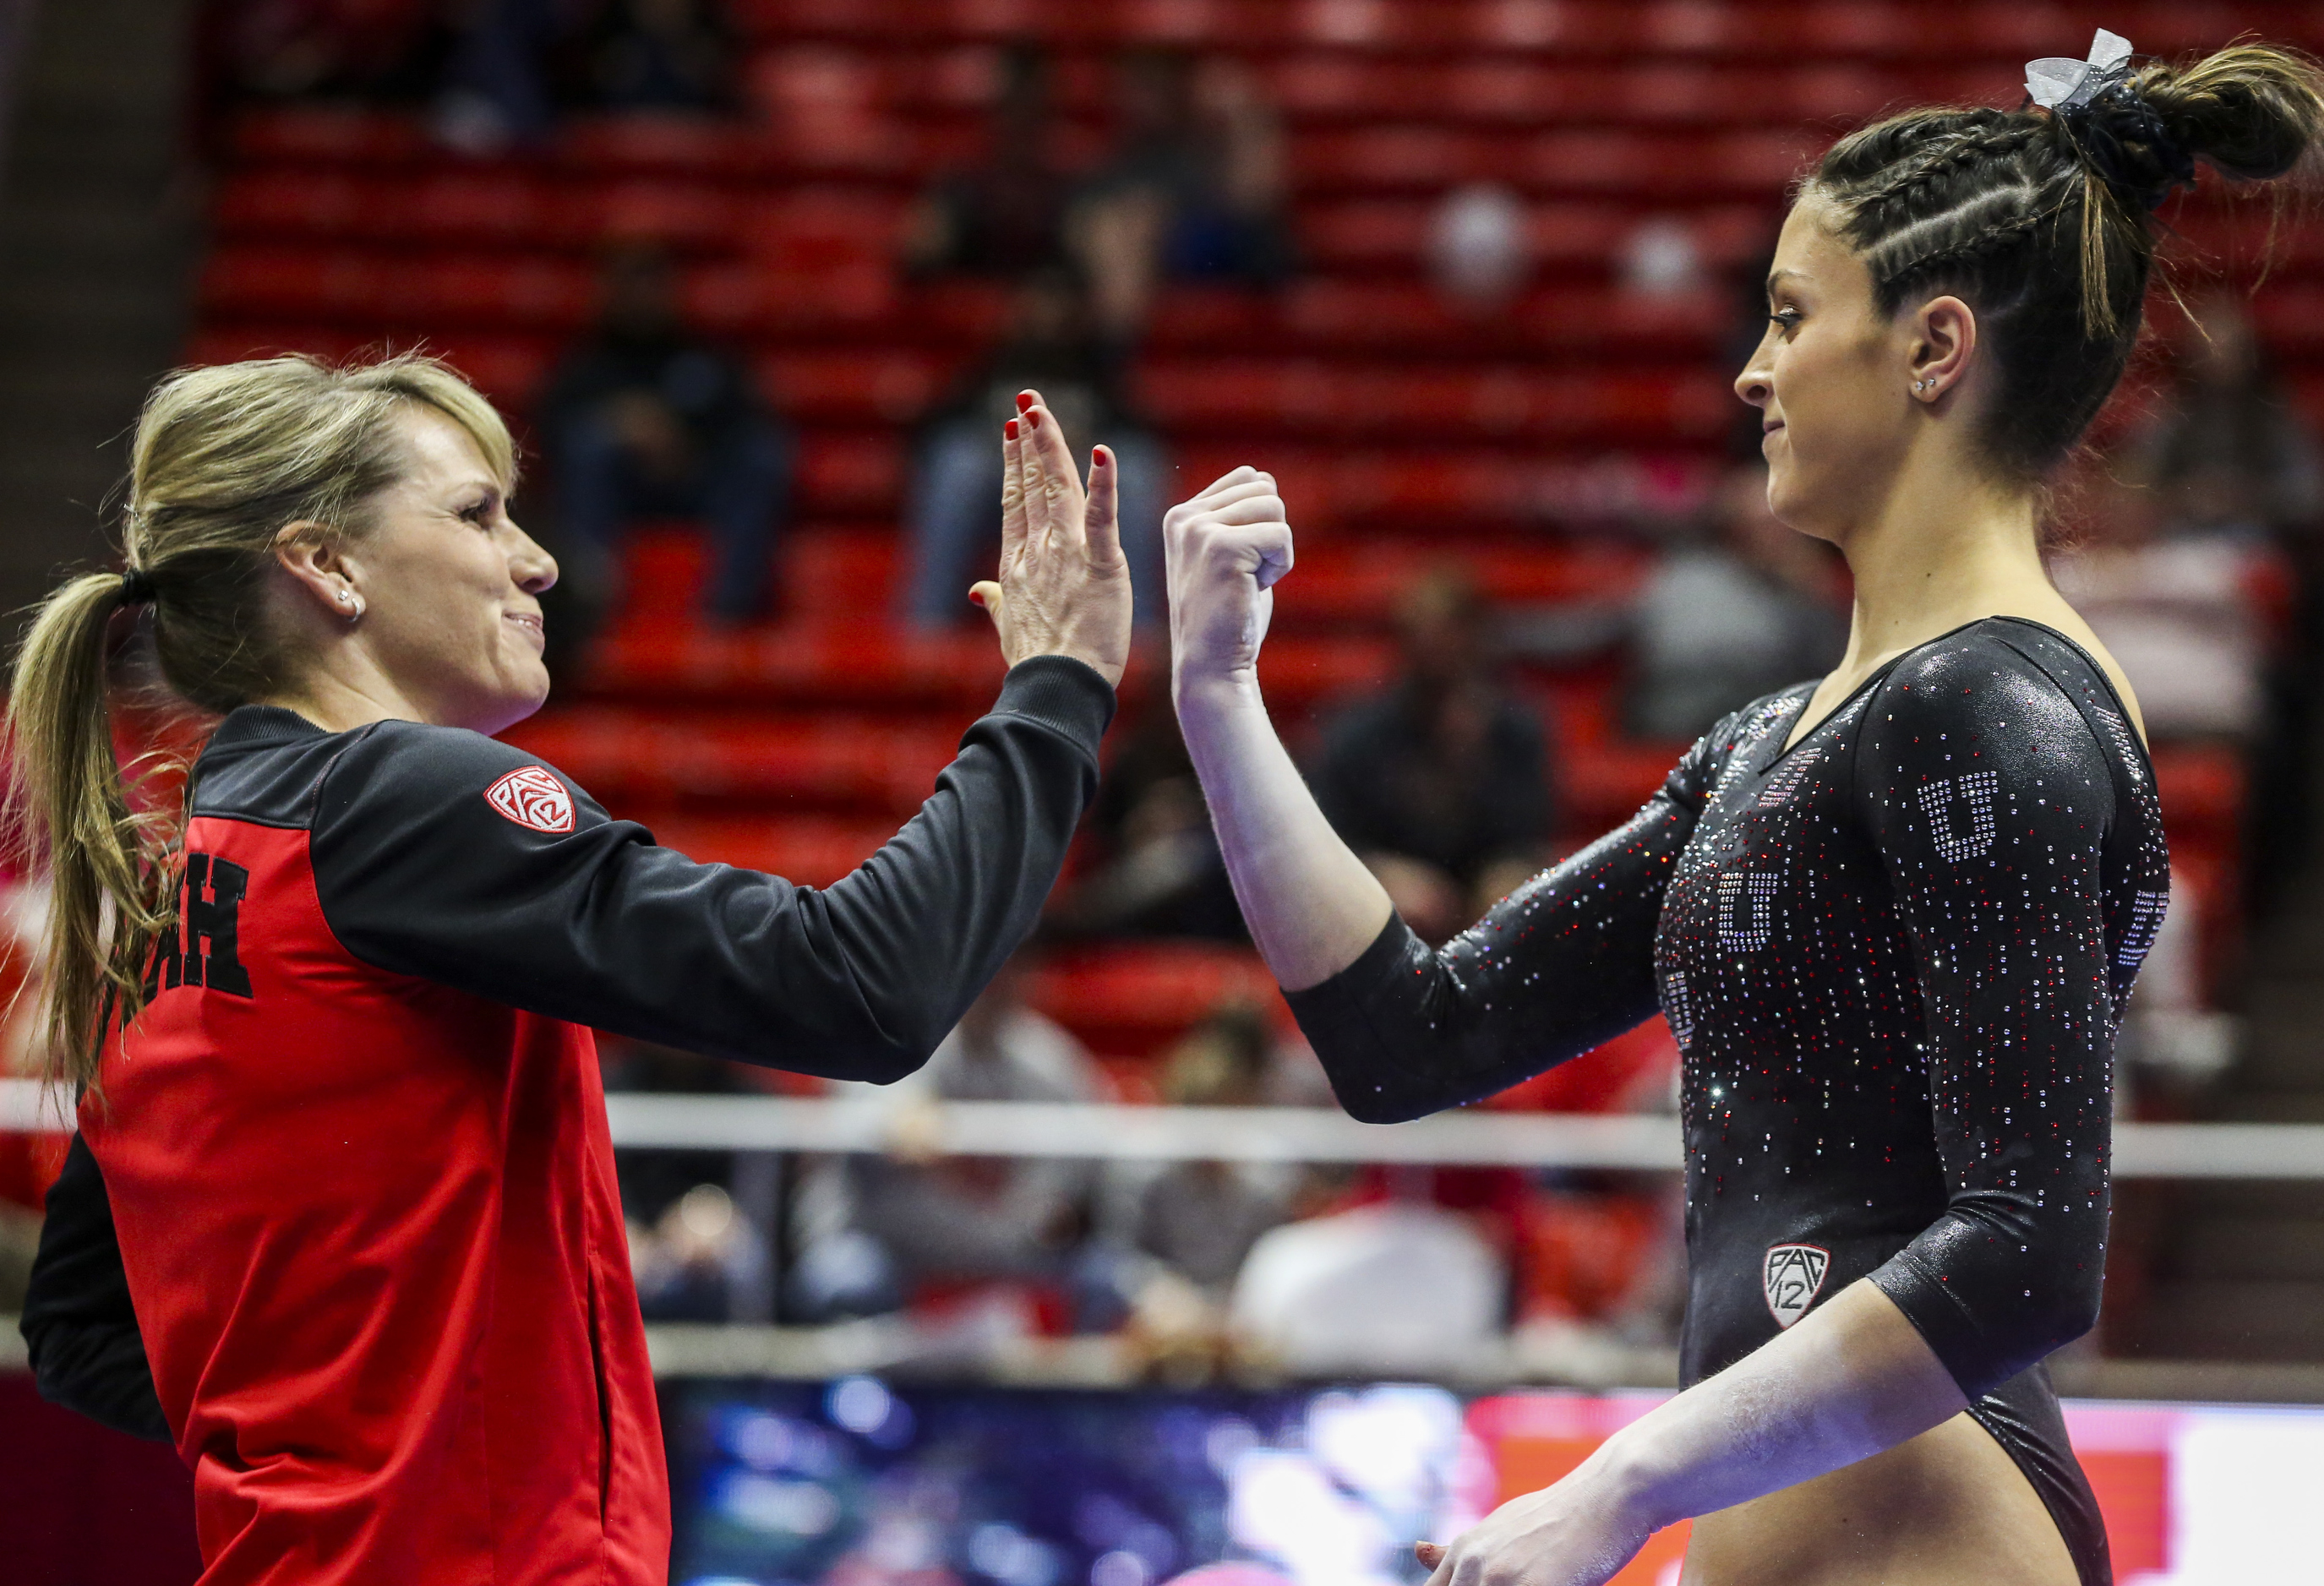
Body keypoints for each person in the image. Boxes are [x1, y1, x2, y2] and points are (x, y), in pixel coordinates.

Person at [1159, 35, 2319, 1586]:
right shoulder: (1783, 737)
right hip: (1798, 1498)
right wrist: (1220, 701)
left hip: (1917, 1515)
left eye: (1788, 316)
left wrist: (1621, 1482)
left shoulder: (1991, 713)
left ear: (1935, 347)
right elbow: (1410, 1039)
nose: (1749, 371)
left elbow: (2031, 1250)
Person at [14, 357, 1127, 1581]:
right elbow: (859, 986)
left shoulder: (177, 885)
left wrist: (358, 1435)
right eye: (476, 513)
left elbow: (81, 1333)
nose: (537, 560)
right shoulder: (394, 800)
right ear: (326, 567)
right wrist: (1057, 685)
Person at [537, 242, 792, 630]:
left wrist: (681, 439)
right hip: (621, 491)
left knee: (763, 457)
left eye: (651, 283)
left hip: (698, 483)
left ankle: (731, 611)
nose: (642, 296)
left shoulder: (706, 356)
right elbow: (547, 431)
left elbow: (747, 421)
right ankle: (588, 600)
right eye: (630, 284)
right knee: (585, 446)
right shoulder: (586, 364)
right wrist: (619, 425)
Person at [902, 272, 1169, 629]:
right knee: (957, 463)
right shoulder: (999, 358)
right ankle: (926, 628)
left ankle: (1137, 631)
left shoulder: (1094, 364)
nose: (1048, 314)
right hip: (1003, 468)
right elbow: (942, 421)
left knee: (1134, 468)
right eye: (1039, 303)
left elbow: (1134, 426)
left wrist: (1081, 439)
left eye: (1058, 305)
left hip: (1076, 471)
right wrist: (1002, 437)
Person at [1307, 569, 1553, 945]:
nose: (1437, 649)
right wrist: (1382, 873)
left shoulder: (1514, 729)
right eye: (1422, 635)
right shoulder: (1357, 734)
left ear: (1476, 636)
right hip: (1393, 884)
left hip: (1481, 882)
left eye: (1449, 633)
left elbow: (1528, 835)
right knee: (1394, 904)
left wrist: (1469, 764)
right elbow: (1327, 840)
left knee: (1513, 896)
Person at [1624, 461, 1847, 740]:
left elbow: (1828, 672)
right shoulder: (1687, 579)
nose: (1776, 537)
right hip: (1680, 724)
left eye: (1784, 525)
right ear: (1735, 528)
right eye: (1763, 526)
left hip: (1772, 728)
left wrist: (1810, 597)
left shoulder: (1807, 588)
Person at [900, 42, 1077, 282]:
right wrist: (924, 242)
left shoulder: (1072, 191)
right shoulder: (962, 186)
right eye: (1009, 108)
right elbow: (914, 262)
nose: (1018, 122)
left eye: (1029, 108)